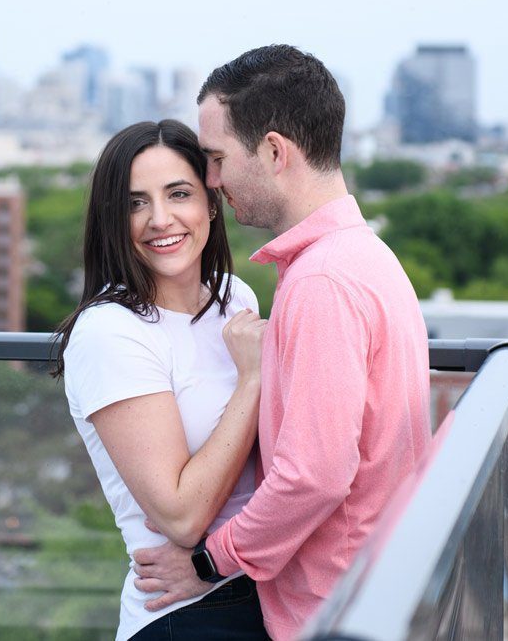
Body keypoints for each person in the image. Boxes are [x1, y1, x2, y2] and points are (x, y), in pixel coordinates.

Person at [131, 45, 432, 640]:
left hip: (328, 613)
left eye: (217, 159)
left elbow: (313, 476)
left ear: (273, 151)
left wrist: (208, 563)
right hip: (373, 590)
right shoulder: (366, 256)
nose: (212, 182)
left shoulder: (322, 280)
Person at [56, 120, 272, 641]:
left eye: (179, 194)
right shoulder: (111, 332)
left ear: (211, 202)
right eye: (135, 203)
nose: (159, 219)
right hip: (185, 614)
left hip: (262, 589)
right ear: (113, 218)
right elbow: (180, 518)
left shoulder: (234, 297)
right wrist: (251, 381)